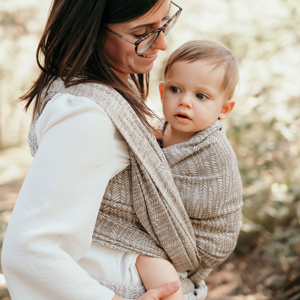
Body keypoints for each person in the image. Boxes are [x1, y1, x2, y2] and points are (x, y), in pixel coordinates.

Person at [1, 0, 186, 299]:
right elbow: (27, 250)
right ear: (90, 31)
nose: (162, 43)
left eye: (164, 22)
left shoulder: (90, 90)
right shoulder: (89, 116)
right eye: (142, 32)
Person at [135, 40, 243, 300]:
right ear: (162, 92)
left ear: (224, 109)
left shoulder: (214, 151)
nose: (184, 102)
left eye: (201, 96)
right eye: (175, 89)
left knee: (145, 258)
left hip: (202, 238)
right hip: (169, 230)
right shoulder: (156, 129)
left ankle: (173, 295)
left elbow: (205, 202)